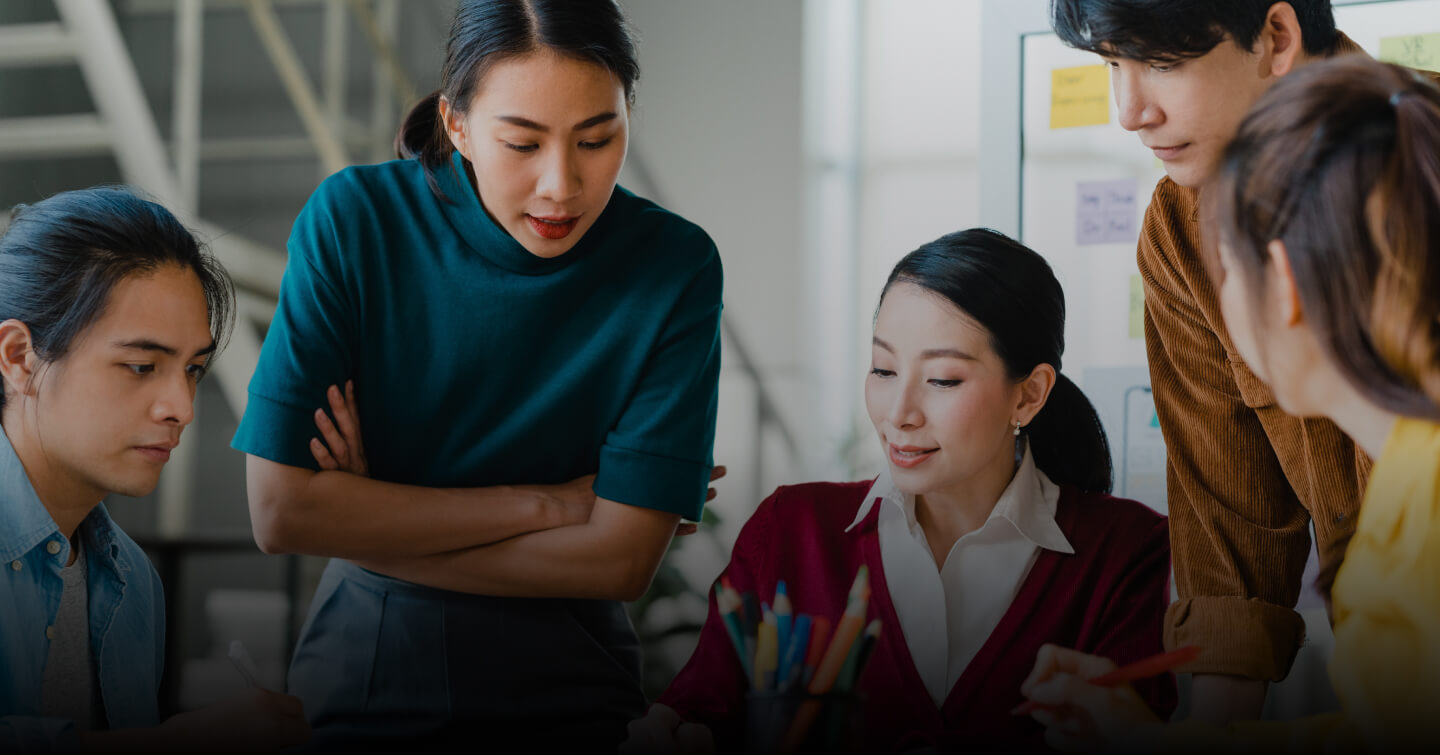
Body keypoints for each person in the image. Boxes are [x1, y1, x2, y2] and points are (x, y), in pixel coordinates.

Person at [231, 0, 724, 750]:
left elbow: (621, 561)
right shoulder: (356, 221)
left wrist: (371, 520)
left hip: (576, 692)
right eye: (522, 142)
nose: (561, 185)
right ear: (455, 124)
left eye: (597, 138)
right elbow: (281, 514)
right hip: (368, 679)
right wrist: (549, 505)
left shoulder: (673, 267)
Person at [1019, 55, 1440, 754]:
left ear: (1283, 281)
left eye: (1226, 272)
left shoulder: (1416, 517)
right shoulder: (1402, 486)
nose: (1133, 109)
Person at [621, 229, 1175, 754]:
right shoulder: (792, 529)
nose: (899, 414)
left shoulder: (1126, 550)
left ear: (1029, 395)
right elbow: (696, 713)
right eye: (883, 369)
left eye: (942, 380)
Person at [0, 187, 309, 752]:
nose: (183, 409)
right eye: (141, 366)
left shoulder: (132, 582)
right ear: (20, 357)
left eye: (192, 368)